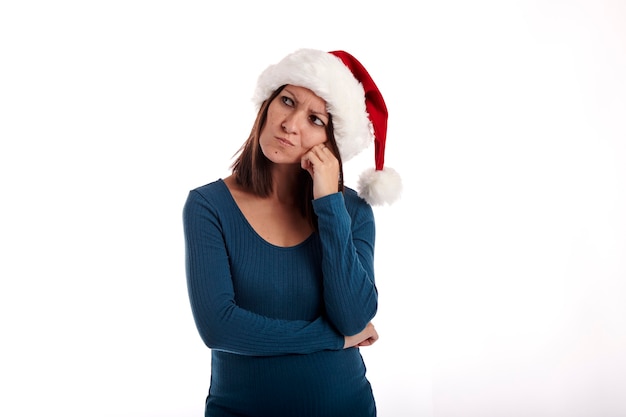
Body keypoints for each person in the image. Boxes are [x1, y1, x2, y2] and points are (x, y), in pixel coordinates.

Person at [183, 48, 401, 417]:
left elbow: (353, 316)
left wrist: (329, 204)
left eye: (315, 119)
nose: (291, 123)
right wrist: (334, 340)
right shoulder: (208, 206)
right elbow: (219, 328)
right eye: (287, 101)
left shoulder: (352, 210)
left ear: (332, 143)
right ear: (268, 104)